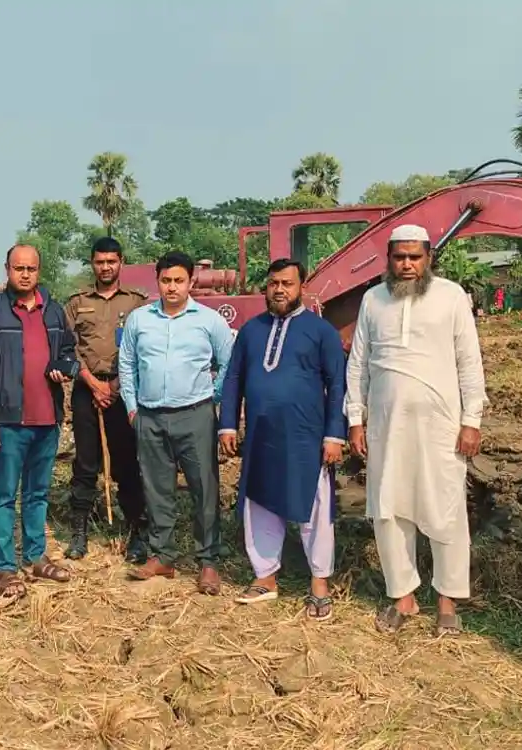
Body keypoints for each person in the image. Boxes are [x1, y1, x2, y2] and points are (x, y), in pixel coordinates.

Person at [345, 224, 487, 635]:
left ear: (429, 258)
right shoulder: (373, 300)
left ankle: (447, 602)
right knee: (389, 509)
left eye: (415, 257)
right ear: (388, 259)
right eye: (399, 257)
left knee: (444, 510)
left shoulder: (451, 296)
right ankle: (402, 597)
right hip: (387, 426)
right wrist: (356, 419)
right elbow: (358, 364)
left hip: (441, 425)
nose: (407, 265)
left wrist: (472, 420)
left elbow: (469, 361)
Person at [219, 259, 346, 618]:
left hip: (307, 435)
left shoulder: (321, 332)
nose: (279, 289)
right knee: (260, 503)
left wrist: (334, 434)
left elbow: (337, 385)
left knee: (315, 508)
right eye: (273, 283)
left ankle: (319, 583)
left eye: (287, 283)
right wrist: (228, 424)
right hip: (261, 435)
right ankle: (266, 577)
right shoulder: (251, 331)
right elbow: (233, 379)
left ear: (301, 287)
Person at [0, 244, 78, 601]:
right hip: (8, 421)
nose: (25, 274)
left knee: (37, 493)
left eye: (31, 268)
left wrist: (66, 366)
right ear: (7, 270)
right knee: (4, 496)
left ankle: (35, 557)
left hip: (47, 419)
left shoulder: (55, 312)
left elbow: (69, 352)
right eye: (18, 268)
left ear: (39, 271)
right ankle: (4, 566)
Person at [119, 250, 234, 595]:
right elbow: (127, 365)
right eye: (166, 280)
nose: (172, 287)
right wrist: (132, 408)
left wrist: (211, 398)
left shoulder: (209, 320)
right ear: (158, 281)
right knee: (157, 490)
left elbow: (228, 363)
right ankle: (162, 556)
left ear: (191, 282)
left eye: (179, 281)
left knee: (204, 489)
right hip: (150, 416)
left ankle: (208, 561)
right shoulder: (140, 319)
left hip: (195, 415)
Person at [63, 236, 151, 562]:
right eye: (100, 262)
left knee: (127, 462)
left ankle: (137, 532)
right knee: (85, 464)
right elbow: (66, 347)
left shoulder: (137, 303)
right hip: (87, 390)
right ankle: (79, 532)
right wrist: (91, 383)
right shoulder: (76, 303)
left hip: (123, 390)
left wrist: (113, 386)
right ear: (92, 264)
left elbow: (143, 347)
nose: (105, 267)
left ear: (121, 263)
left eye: (111, 261)